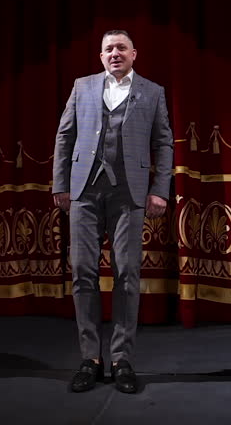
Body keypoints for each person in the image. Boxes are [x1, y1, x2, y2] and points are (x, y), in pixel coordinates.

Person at [53, 29, 173, 394]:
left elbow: (163, 142)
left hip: (129, 192)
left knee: (127, 273)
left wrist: (159, 190)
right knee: (84, 272)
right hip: (85, 190)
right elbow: (65, 135)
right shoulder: (83, 86)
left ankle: (121, 359)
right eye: (109, 49)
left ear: (134, 54)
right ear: (100, 56)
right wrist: (61, 184)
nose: (115, 53)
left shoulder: (152, 92)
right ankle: (90, 358)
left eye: (121, 47)